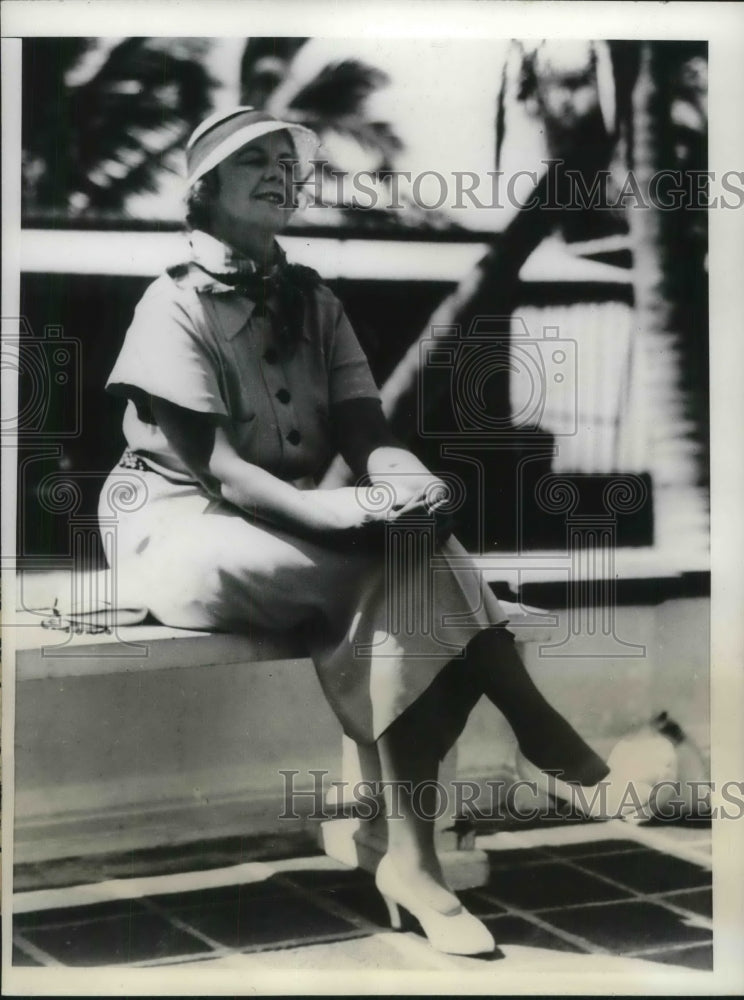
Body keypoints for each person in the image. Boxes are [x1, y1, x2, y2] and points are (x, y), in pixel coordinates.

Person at [99, 107, 650, 957]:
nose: (285, 175)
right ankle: (522, 739)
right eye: (259, 162)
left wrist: (405, 480)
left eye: (293, 163)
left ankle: (417, 860)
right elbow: (220, 471)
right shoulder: (169, 304)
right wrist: (344, 514)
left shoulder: (313, 300)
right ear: (203, 189)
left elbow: (366, 430)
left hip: (279, 523)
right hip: (174, 525)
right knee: (392, 564)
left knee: (416, 553)